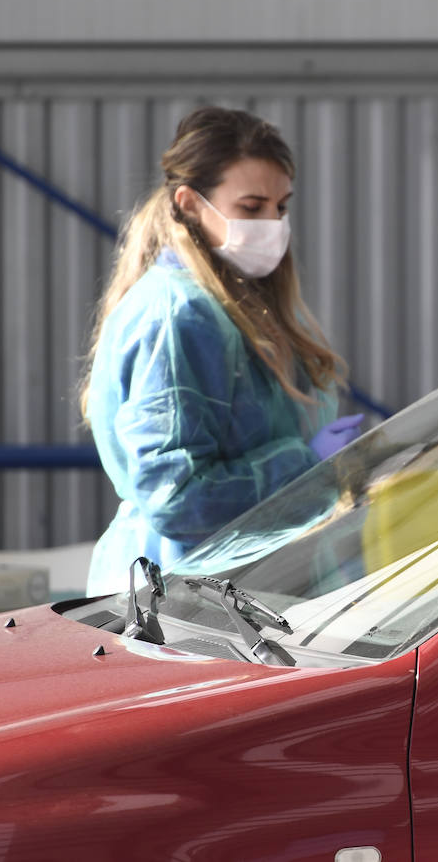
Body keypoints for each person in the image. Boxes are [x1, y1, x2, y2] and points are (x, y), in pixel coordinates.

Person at [79, 106, 362, 596]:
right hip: (183, 601)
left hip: (234, 592)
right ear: (189, 203)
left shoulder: (235, 306)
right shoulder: (179, 314)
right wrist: (304, 465)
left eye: (281, 206)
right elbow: (175, 498)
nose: (272, 224)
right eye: (251, 208)